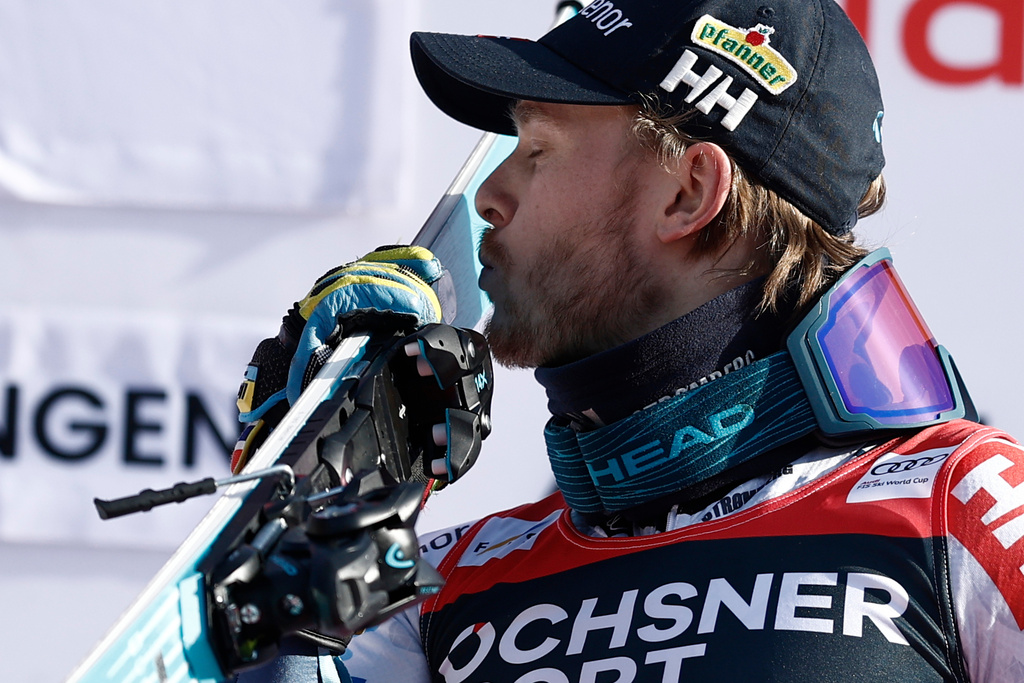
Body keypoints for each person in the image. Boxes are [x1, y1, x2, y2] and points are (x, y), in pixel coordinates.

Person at [238, 0, 1024, 680]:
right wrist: (295, 548)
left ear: (689, 193)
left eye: (537, 149)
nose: (491, 195)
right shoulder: (448, 586)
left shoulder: (961, 508)